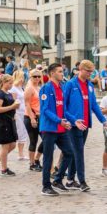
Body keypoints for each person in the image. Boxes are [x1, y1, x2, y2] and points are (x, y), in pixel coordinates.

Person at [62, 60, 107, 191]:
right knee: (79, 152)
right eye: (88, 71)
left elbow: (94, 105)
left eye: (91, 72)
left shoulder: (89, 85)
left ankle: (70, 180)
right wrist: (71, 120)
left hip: (85, 124)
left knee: (76, 152)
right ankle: (82, 181)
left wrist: (103, 120)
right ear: (80, 69)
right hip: (74, 125)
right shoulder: (70, 84)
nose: (90, 74)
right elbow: (63, 107)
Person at [39, 64, 76, 196]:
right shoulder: (46, 88)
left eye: (62, 71)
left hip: (61, 128)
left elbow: (64, 109)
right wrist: (59, 120)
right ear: (52, 73)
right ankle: (46, 186)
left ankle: (58, 179)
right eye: (60, 72)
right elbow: (45, 110)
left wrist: (72, 120)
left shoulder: (61, 88)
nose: (62, 73)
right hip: (49, 129)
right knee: (48, 158)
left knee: (70, 153)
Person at [0, 75, 19, 176]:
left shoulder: (9, 94)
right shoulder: (0, 94)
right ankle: (4, 169)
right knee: (5, 146)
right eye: (9, 83)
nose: (11, 85)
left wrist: (14, 111)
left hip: (10, 121)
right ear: (3, 82)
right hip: (2, 122)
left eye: (12, 83)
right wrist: (12, 106)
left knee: (13, 144)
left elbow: (12, 107)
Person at [24, 69, 44, 171]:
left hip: (40, 116)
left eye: (38, 76)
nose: (37, 78)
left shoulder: (39, 88)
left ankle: (37, 159)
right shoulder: (29, 88)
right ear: (30, 77)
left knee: (46, 139)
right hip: (30, 117)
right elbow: (27, 104)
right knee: (33, 140)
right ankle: (32, 164)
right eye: (34, 76)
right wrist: (32, 118)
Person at [10, 71, 29, 161]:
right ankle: (20, 154)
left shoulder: (21, 88)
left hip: (23, 112)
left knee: (24, 132)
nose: (23, 79)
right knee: (20, 132)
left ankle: (21, 153)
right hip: (17, 113)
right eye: (21, 77)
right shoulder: (13, 88)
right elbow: (13, 101)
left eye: (23, 77)